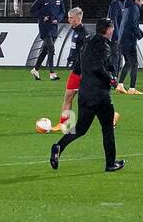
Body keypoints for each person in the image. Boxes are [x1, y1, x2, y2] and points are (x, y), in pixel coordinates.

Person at [50, 18, 125, 173]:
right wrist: (111, 79)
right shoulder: (104, 46)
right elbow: (98, 67)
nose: (113, 31)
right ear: (108, 30)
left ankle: (58, 146)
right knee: (108, 128)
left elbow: (85, 65)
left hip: (85, 93)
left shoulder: (87, 44)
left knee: (81, 129)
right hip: (100, 95)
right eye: (111, 28)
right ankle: (110, 163)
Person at [50, 8, 119, 133]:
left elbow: (90, 55)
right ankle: (64, 124)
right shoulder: (76, 32)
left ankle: (113, 116)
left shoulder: (85, 34)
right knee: (68, 96)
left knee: (94, 99)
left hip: (85, 72)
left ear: (78, 18)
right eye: (69, 18)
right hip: (76, 71)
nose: (69, 20)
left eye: (71, 18)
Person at [29, 0, 65, 81]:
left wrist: (57, 19)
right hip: (45, 27)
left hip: (54, 27)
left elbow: (63, 11)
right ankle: (52, 72)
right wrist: (42, 17)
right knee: (51, 48)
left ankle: (35, 69)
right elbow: (32, 11)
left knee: (46, 50)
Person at [115, 0, 143, 95]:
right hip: (129, 39)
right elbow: (133, 23)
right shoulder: (134, 8)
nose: (142, 3)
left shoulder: (127, 7)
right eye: (142, 1)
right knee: (134, 64)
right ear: (137, 0)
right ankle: (132, 88)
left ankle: (120, 84)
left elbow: (126, 23)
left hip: (122, 39)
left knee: (128, 62)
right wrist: (138, 34)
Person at [107, 0, 132, 78]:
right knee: (115, 58)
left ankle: (115, 79)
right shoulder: (115, 4)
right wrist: (116, 35)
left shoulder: (125, 4)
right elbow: (113, 21)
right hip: (116, 36)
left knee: (119, 58)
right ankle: (112, 78)